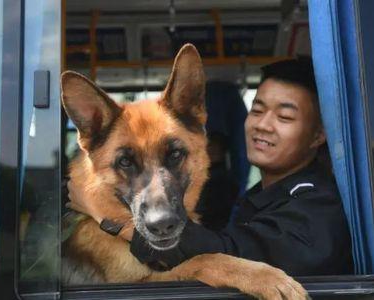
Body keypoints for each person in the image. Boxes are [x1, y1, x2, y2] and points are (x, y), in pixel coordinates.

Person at [68, 57, 354, 276]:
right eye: (257, 109)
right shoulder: (259, 195)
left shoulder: (319, 208)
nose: (263, 125)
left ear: (318, 135)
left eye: (284, 117)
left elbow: (227, 255)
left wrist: (101, 214)